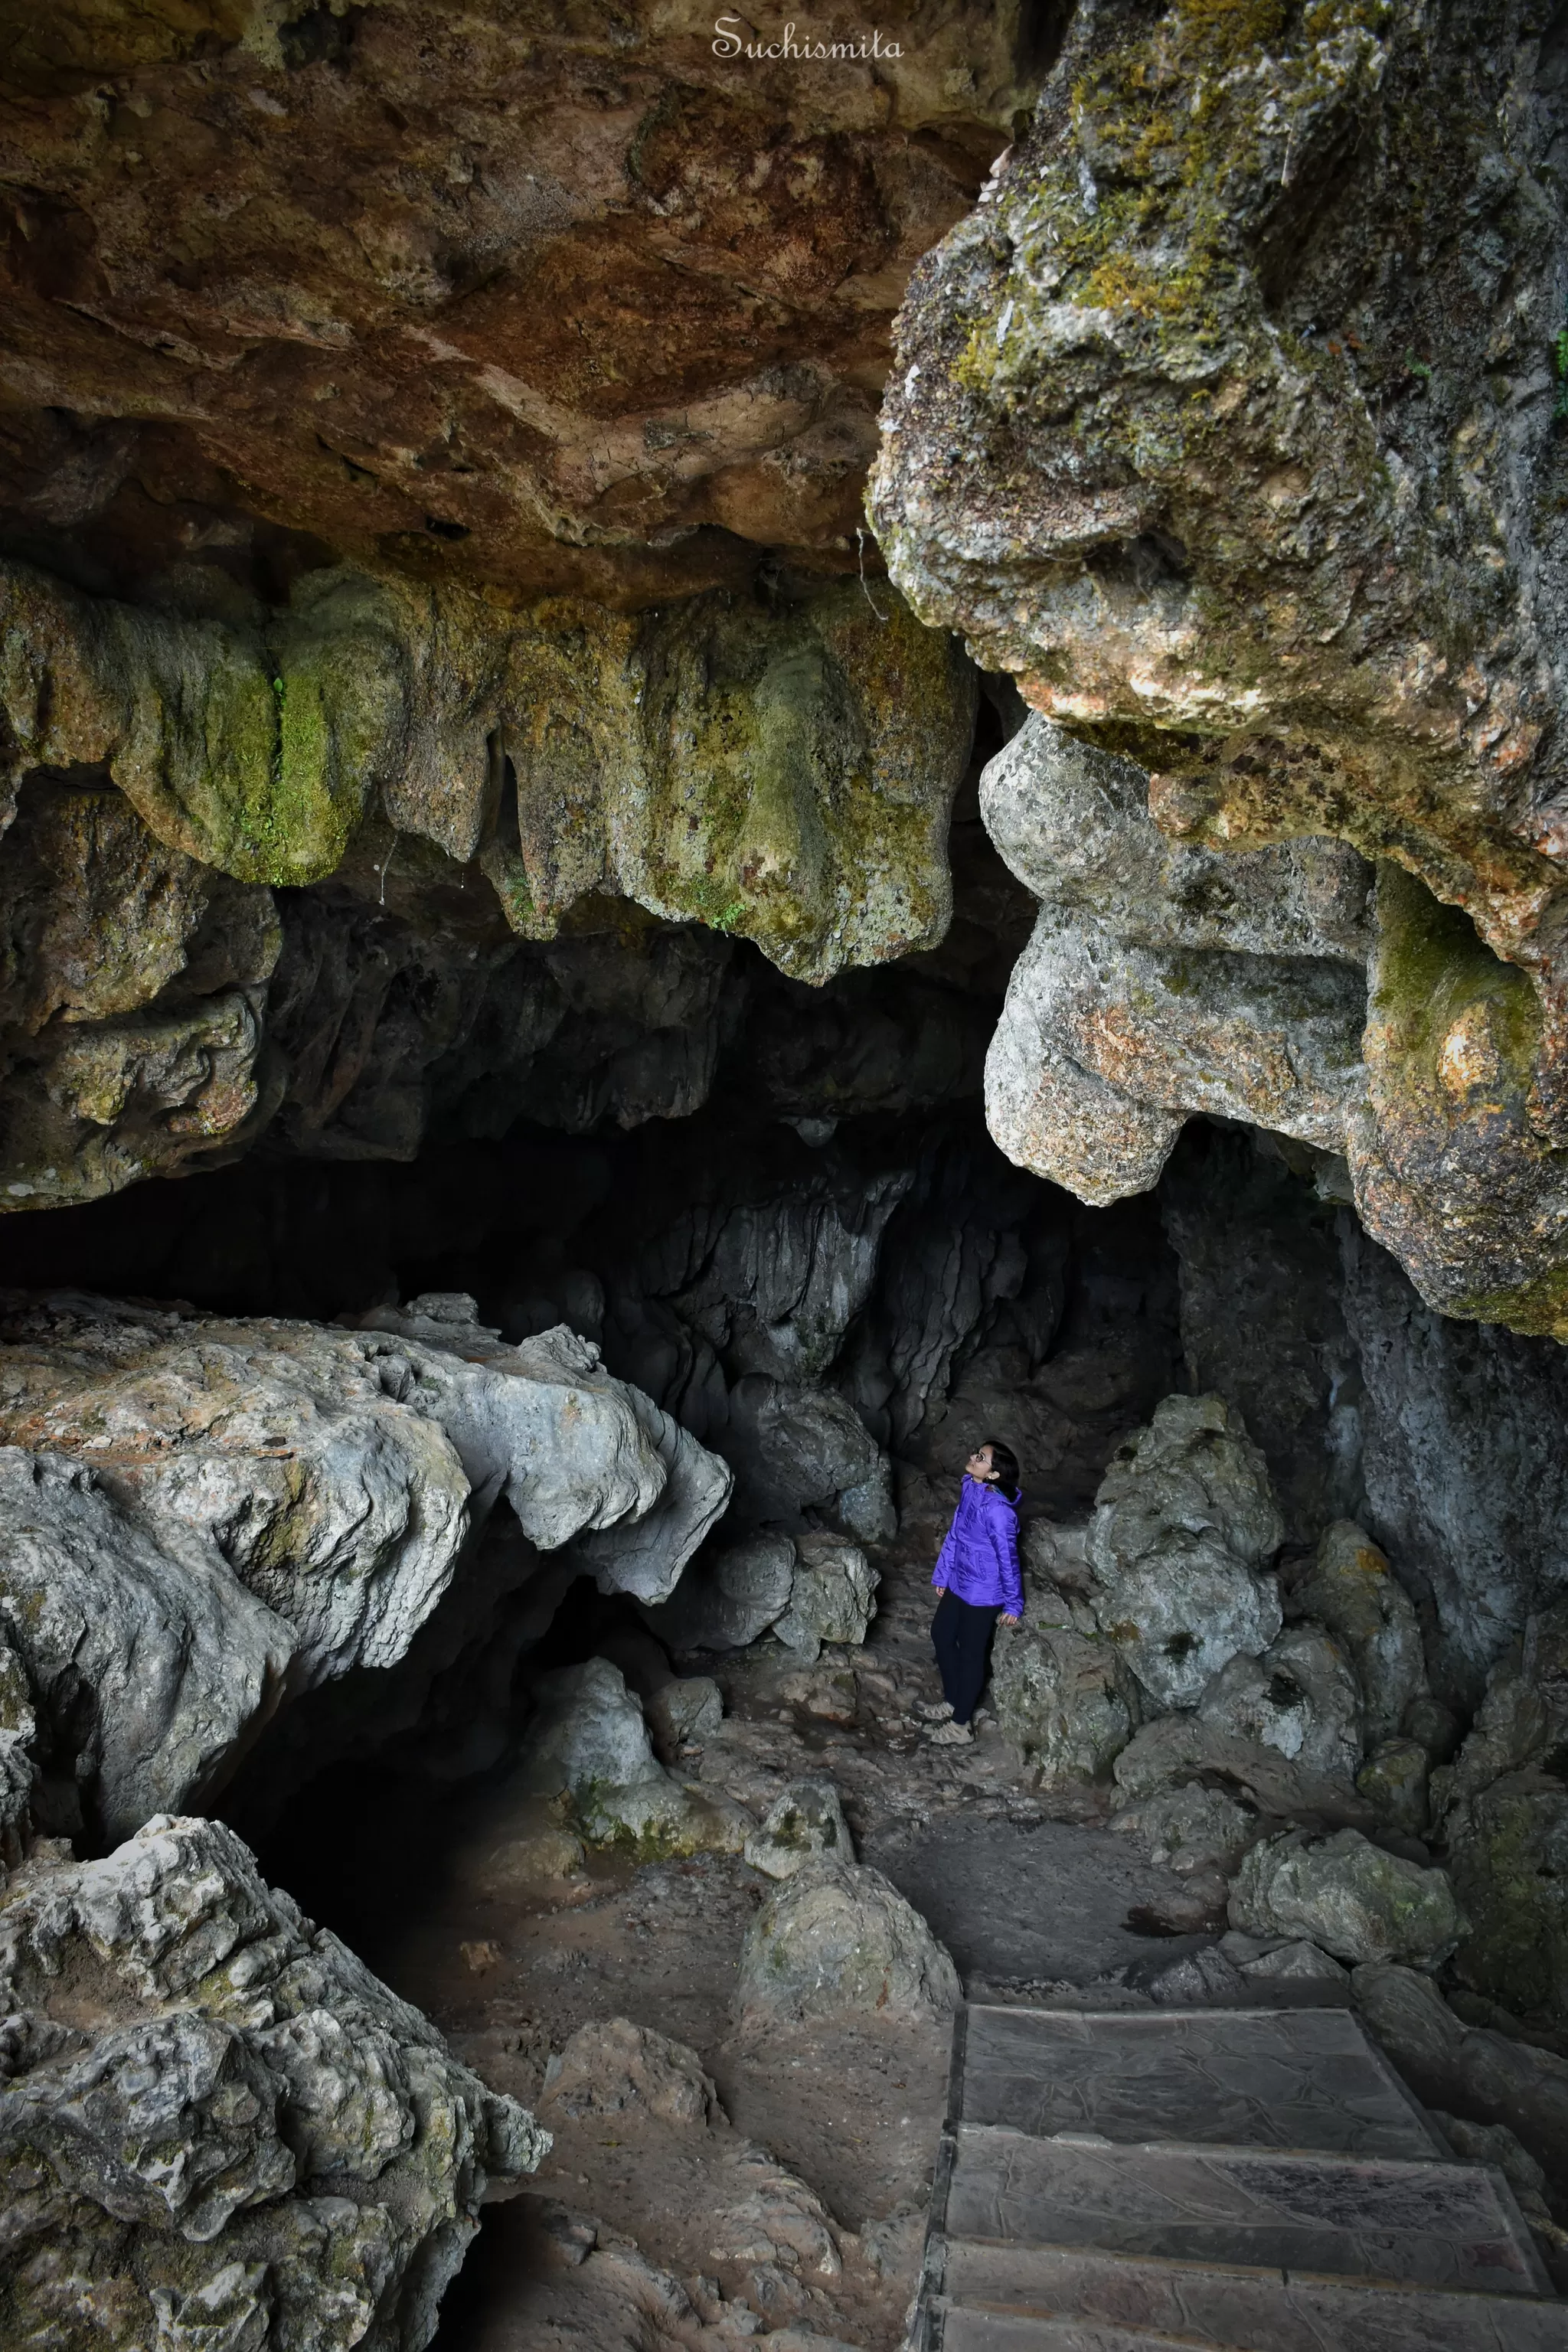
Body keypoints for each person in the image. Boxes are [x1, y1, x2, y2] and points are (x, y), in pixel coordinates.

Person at [920, 1439, 1022, 1746]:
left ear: (993, 1474)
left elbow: (1009, 1558)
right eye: (977, 1453)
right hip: (960, 1581)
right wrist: (944, 1573)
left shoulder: (1000, 1513)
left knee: (971, 1655)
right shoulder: (970, 1487)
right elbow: (956, 1535)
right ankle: (953, 1700)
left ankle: (961, 1724)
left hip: (984, 1593)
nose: (973, 1458)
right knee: (941, 1634)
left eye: (981, 1457)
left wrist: (1013, 1604)